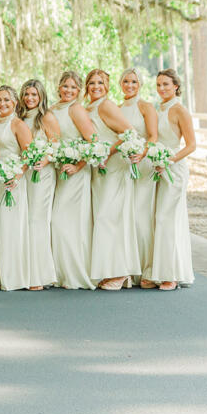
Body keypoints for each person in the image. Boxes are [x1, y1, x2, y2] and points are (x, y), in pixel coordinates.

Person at [85, 69, 140, 290]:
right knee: (103, 218)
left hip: (114, 166)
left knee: (110, 218)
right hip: (98, 169)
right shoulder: (88, 108)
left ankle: (119, 272)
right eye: (91, 83)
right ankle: (110, 270)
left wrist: (107, 151)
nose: (96, 86)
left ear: (107, 86)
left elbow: (129, 132)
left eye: (100, 83)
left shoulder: (106, 106)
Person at [50, 71, 97, 290]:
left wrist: (78, 165)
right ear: (59, 87)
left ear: (79, 91)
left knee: (66, 222)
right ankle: (58, 272)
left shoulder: (76, 109)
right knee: (57, 222)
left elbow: (94, 142)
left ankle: (75, 273)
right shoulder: (52, 109)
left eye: (73, 88)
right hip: (58, 171)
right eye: (65, 86)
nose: (68, 91)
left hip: (76, 173)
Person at [151, 69, 196, 291]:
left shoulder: (179, 110)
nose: (161, 89)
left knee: (167, 219)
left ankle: (172, 273)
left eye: (166, 85)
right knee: (156, 218)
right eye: (158, 85)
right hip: (155, 168)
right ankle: (156, 270)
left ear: (176, 86)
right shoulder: (157, 108)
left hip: (173, 169)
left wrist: (168, 160)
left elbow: (191, 145)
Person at [16, 79, 59, 291]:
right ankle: (26, 270)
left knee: (37, 220)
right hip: (25, 174)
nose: (30, 98)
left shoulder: (46, 117)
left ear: (41, 96)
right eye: (26, 94)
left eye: (34, 95)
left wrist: (47, 159)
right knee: (25, 219)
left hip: (42, 175)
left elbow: (57, 145)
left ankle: (40, 275)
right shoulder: (20, 118)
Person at [118, 68, 159, 288]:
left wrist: (141, 152)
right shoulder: (116, 108)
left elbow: (152, 136)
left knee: (142, 218)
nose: (129, 85)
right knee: (126, 216)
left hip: (142, 165)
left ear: (140, 84)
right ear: (120, 83)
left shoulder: (146, 107)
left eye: (134, 81)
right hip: (122, 167)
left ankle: (148, 269)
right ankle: (126, 267)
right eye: (126, 81)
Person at [0, 85, 32, 291]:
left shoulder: (18, 124)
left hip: (14, 180)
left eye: (7, 100)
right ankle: (1, 273)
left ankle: (15, 276)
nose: (2, 103)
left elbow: (28, 154)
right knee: (0, 226)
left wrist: (16, 176)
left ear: (15, 102)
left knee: (13, 225)